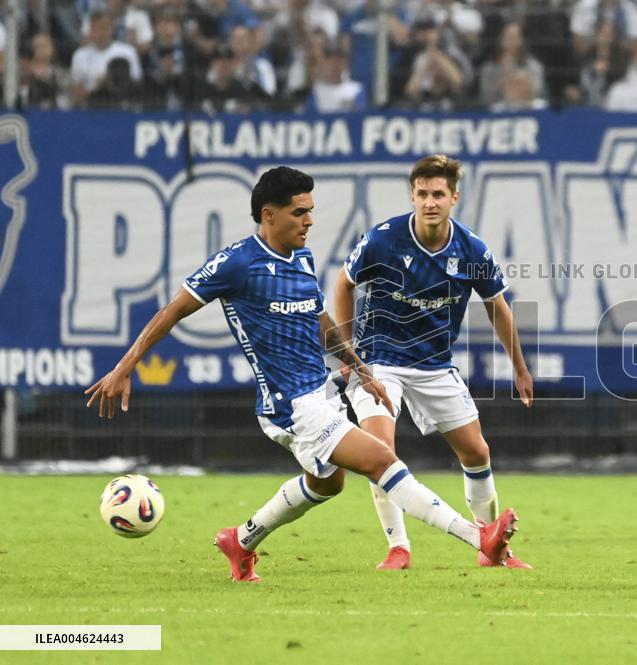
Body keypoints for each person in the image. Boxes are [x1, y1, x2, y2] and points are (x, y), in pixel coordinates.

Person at [85, 167, 519, 582]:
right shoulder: (237, 263)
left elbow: (318, 319)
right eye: (300, 212)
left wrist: (360, 368)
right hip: (289, 406)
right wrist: (125, 367)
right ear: (268, 215)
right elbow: (171, 312)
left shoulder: (301, 257)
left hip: (321, 392)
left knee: (327, 484)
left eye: (311, 210)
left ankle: (240, 540)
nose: (310, 220)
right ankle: (479, 537)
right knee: (383, 461)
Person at [333, 154, 534, 570]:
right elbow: (344, 283)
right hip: (378, 362)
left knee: (477, 452)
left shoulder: (472, 248)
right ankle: (398, 548)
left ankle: (492, 549)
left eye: (438, 194)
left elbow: (497, 305)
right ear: (412, 196)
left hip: (434, 364)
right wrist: (347, 351)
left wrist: (518, 366)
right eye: (422, 194)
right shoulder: (383, 239)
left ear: (454, 197)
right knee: (381, 451)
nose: (429, 202)